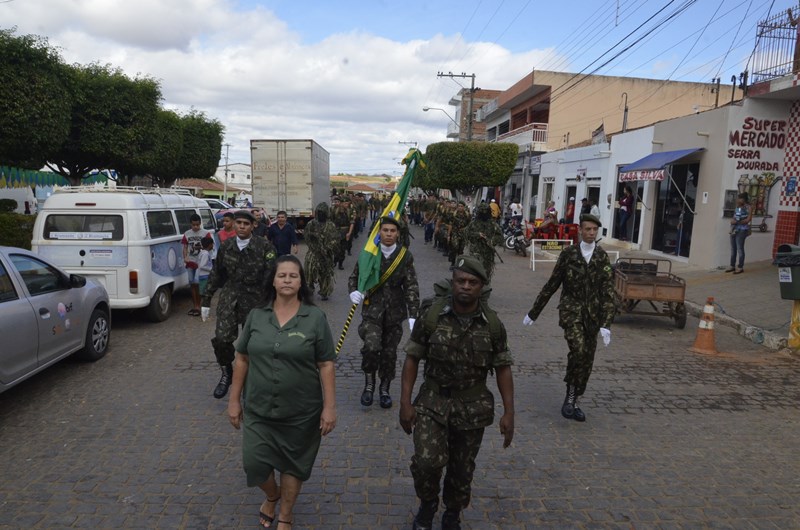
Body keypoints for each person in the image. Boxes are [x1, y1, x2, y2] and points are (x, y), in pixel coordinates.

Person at [400, 256, 514, 530]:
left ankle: (452, 513)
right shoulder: (432, 316)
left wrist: (510, 412)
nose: (465, 286)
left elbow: (503, 368)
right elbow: (412, 358)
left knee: (462, 470)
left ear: (481, 286)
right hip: (432, 402)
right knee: (427, 463)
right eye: (460, 281)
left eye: (472, 282)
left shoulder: (493, 325)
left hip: (472, 407)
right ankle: (427, 505)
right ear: (452, 283)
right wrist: (405, 402)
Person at [228, 255, 336, 530]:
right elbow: (241, 358)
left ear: (301, 282)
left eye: (293, 276)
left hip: (301, 411)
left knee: (293, 464)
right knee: (254, 464)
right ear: (273, 281)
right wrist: (233, 400)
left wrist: (330, 407)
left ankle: (285, 513)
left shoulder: (314, 318)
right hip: (258, 409)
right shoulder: (256, 316)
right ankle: (272, 495)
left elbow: (325, 364)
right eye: (282, 276)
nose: (287, 280)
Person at [523, 214, 615, 422]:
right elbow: (552, 284)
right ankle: (570, 396)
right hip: (571, 310)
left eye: (595, 230)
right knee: (578, 348)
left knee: (587, 360)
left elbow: (608, 292)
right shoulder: (569, 255)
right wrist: (533, 312)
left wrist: (606, 324)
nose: (592, 233)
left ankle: (575, 399)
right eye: (588, 229)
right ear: (581, 230)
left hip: (592, 315)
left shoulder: (602, 257)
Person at [201, 210, 278, 399]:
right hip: (231, 297)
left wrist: (275, 303)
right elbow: (216, 273)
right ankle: (227, 372)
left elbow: (272, 276)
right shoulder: (226, 246)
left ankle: (252, 381)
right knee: (221, 339)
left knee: (254, 344)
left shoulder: (264, 247)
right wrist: (206, 300)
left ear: (253, 226)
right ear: (234, 225)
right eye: (239, 223)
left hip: (256, 299)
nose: (242, 226)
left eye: (246, 223)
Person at [348, 216, 419, 409]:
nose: (388, 234)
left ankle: (385, 389)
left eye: (392, 231)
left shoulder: (404, 256)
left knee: (389, 354)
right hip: (372, 311)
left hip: (395, 314)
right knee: (371, 347)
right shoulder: (369, 253)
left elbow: (411, 286)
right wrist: (353, 291)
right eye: (385, 230)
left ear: (397, 234)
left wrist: (413, 314)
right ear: (379, 232)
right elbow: (355, 276)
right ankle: (369, 385)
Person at [304, 202, 339, 300]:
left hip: (326, 254)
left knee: (325, 274)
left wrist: (327, 248)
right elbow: (307, 237)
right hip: (313, 253)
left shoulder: (330, 225)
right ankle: (309, 290)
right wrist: (314, 247)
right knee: (309, 272)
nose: (321, 215)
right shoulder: (311, 224)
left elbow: (335, 239)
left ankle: (324, 291)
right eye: (319, 212)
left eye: (323, 212)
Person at [465, 202, 503, 282]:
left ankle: (485, 289)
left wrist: (492, 241)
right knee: (475, 271)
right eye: (482, 211)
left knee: (486, 273)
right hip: (475, 251)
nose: (484, 213)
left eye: (486, 211)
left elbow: (500, 236)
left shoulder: (492, 224)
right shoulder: (474, 223)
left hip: (488, 253)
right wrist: (477, 235)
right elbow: (467, 234)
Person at [182, 213, 210, 316]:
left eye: (197, 225)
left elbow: (209, 247)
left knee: (198, 284)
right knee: (192, 284)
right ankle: (195, 306)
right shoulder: (187, 234)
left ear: (200, 224)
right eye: (193, 225)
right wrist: (185, 257)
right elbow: (185, 247)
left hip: (200, 264)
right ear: (190, 224)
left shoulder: (205, 233)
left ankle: (199, 305)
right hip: (190, 262)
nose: (195, 227)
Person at [727, 192, 753, 274]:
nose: (738, 200)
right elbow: (734, 217)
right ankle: (732, 266)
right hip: (734, 229)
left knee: (740, 248)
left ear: (744, 199)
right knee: (733, 248)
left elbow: (748, 219)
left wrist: (738, 222)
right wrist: (732, 221)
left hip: (742, 230)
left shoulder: (749, 207)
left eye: (739, 198)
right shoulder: (737, 207)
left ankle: (740, 267)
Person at [332, 196, 355, 270]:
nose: (346, 205)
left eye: (347, 203)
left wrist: (349, 233)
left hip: (345, 233)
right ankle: (335, 261)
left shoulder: (349, 211)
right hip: (336, 232)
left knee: (343, 250)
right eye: (344, 203)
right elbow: (330, 222)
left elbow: (352, 223)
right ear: (341, 204)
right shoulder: (334, 211)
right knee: (336, 249)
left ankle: (340, 264)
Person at [788, 8, 800, 73]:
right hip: (799, 36)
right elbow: (793, 24)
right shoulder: (799, 17)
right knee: (797, 53)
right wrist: (790, 15)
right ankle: (796, 70)